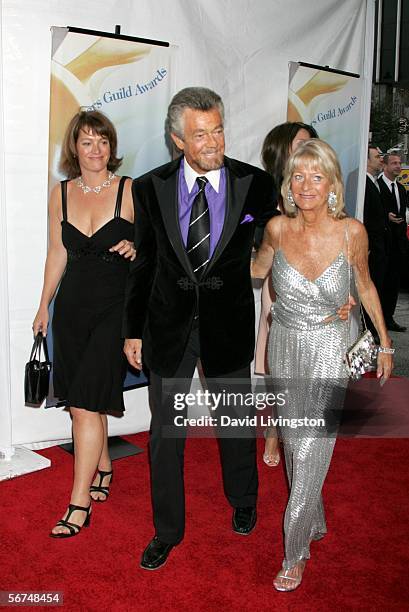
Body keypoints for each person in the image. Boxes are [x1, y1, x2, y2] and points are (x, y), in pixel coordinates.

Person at [123, 87, 278, 570]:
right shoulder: (150, 187)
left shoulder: (255, 184)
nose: (213, 142)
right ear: (177, 139)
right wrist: (132, 331)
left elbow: (273, 240)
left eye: (218, 130)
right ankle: (167, 530)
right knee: (167, 434)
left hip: (227, 323)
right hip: (167, 327)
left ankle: (244, 499)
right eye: (200, 134)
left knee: (234, 423)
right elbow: (144, 264)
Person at [252, 139, 394, 591]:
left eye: (317, 176)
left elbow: (367, 287)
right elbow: (256, 271)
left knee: (311, 445)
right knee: (296, 444)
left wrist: (385, 344)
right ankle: (313, 517)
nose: (307, 185)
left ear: (333, 184)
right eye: (298, 176)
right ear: (288, 185)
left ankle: (295, 553)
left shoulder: (353, 232)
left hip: (331, 347)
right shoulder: (275, 229)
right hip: (285, 344)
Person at [33, 110, 135, 538]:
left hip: (115, 307)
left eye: (103, 141)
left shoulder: (131, 190)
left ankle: (78, 505)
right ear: (74, 148)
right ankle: (104, 464)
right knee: (82, 399)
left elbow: (160, 252)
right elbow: (57, 252)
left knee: (85, 405)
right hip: (71, 309)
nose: (96, 150)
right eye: (87, 142)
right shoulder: (60, 192)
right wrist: (43, 306)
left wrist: (138, 246)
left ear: (112, 147)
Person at [256, 122, 318, 467]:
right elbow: (252, 233)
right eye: (300, 143)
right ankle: (275, 431)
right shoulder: (266, 191)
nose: (307, 147)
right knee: (279, 361)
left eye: (311, 142)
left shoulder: (320, 185)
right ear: (282, 149)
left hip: (316, 284)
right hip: (280, 285)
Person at [378, 152, 409, 331]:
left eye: (399, 163)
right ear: (385, 165)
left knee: (393, 284)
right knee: (380, 283)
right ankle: (378, 320)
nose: (398, 166)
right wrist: (385, 217)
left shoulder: (401, 189)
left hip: (397, 245)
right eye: (395, 163)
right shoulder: (377, 186)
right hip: (382, 244)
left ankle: (389, 318)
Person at [363, 145, 391, 341]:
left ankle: (373, 330)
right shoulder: (364, 184)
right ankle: (369, 332)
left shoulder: (375, 183)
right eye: (377, 156)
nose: (381, 160)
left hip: (380, 247)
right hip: (371, 248)